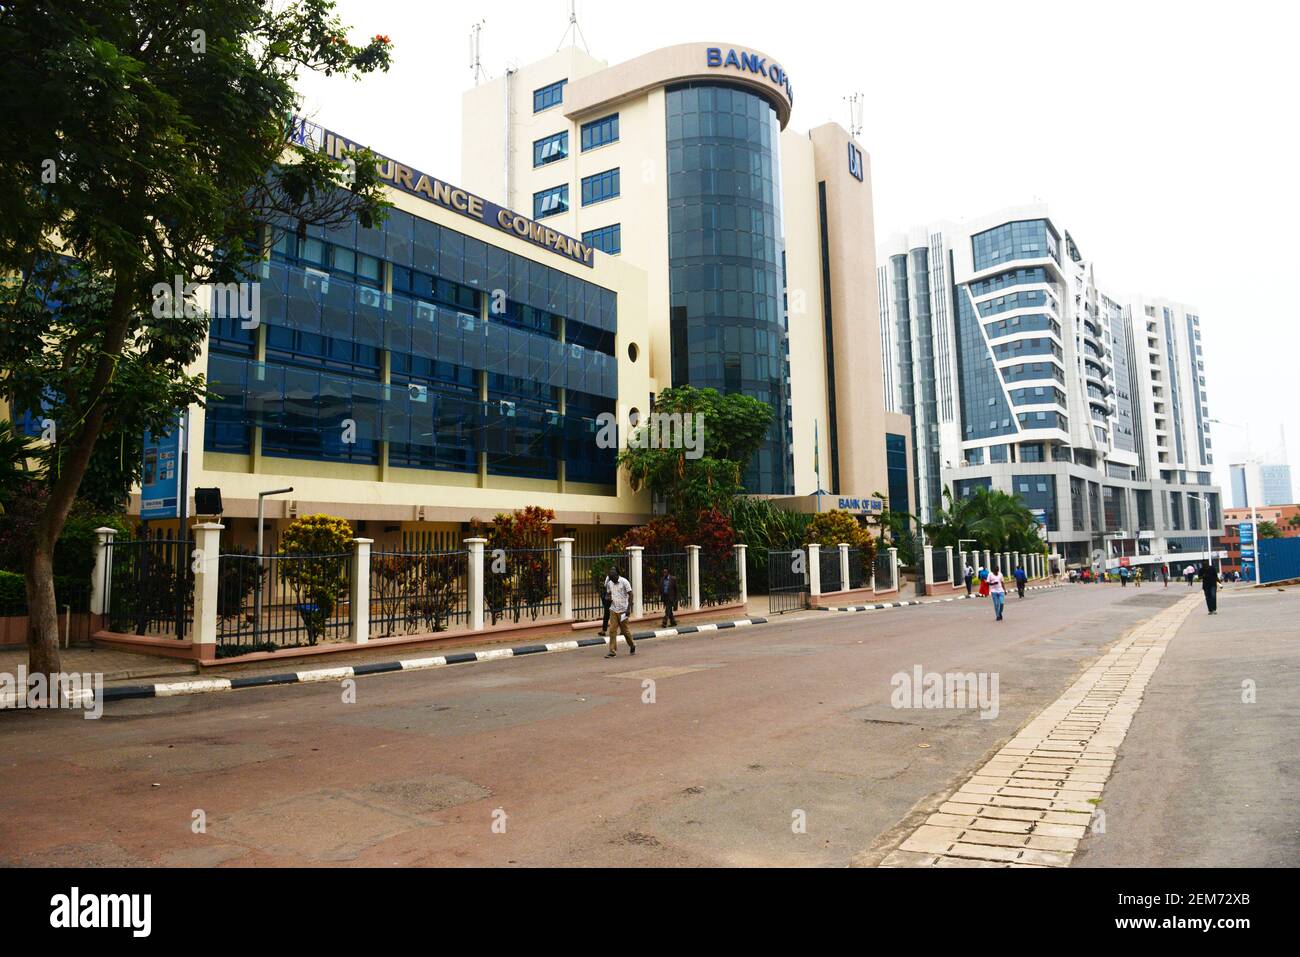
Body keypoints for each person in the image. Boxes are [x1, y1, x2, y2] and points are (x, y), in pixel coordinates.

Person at [604, 567, 636, 658]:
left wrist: (628, 609)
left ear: (617, 574)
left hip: (623, 610)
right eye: (610, 576)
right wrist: (607, 597)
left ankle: (632, 645)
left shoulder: (624, 582)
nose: (611, 578)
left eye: (612, 576)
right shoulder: (609, 583)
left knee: (625, 631)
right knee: (612, 630)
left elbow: (631, 594)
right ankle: (612, 651)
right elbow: (608, 594)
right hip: (613, 609)